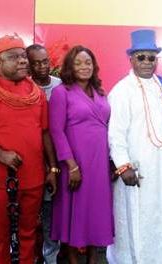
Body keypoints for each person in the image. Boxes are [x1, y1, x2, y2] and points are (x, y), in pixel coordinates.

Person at [107, 29, 162, 263]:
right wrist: (123, 166)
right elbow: (115, 133)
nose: (147, 62)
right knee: (138, 220)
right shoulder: (122, 90)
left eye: (152, 57)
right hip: (137, 169)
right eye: (141, 57)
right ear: (131, 59)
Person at [48, 45, 113, 264]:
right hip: (75, 163)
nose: (84, 67)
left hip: (99, 164)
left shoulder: (100, 92)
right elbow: (56, 131)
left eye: (88, 62)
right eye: (78, 63)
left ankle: (94, 260)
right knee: (73, 215)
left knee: (96, 214)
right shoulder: (61, 92)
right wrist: (71, 165)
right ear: (69, 67)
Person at [0, 34, 58, 263]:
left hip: (33, 179)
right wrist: (1, 154)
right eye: (14, 57)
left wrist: (52, 169)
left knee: (29, 234)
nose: (22, 61)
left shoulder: (37, 94)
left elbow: (45, 133)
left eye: (23, 57)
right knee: (0, 237)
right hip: (2, 181)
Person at [26, 43, 63, 264]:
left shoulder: (60, 86)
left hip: (56, 160)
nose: (41, 66)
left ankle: (50, 257)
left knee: (50, 214)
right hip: (30, 161)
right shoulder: (25, 88)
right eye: (36, 62)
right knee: (28, 215)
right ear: (28, 65)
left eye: (45, 61)